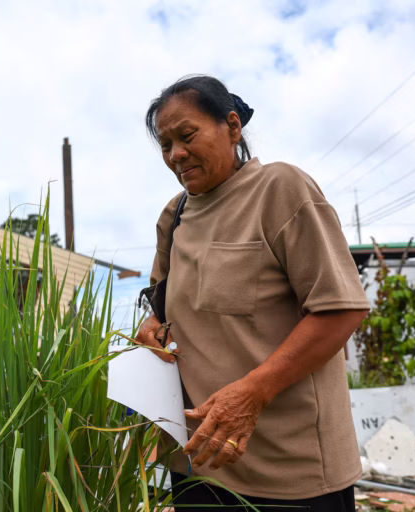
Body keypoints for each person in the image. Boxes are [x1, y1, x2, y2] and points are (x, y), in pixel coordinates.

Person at [134, 75, 369, 511]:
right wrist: (150, 330)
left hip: (291, 476)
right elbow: (162, 313)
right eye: (165, 145)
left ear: (233, 126)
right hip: (197, 469)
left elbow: (341, 311)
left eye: (187, 136)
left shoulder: (280, 189)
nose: (175, 155)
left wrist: (251, 393)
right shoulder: (175, 215)